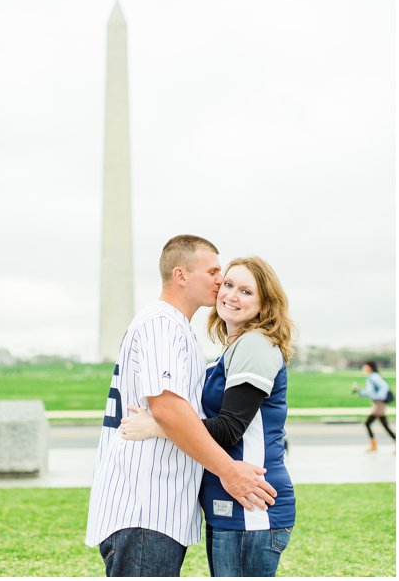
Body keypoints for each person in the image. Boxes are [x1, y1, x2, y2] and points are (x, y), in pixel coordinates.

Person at [85, 235, 277, 577]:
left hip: (155, 510)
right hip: (145, 507)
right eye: (214, 271)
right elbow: (170, 410)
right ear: (181, 276)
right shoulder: (162, 325)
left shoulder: (176, 328)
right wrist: (229, 471)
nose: (221, 281)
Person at [353, 360, 395, 452]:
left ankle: (374, 445)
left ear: (370, 367)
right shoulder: (371, 377)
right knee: (384, 425)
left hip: (379, 403)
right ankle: (376, 445)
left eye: (365, 366)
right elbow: (369, 392)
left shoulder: (373, 376)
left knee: (368, 423)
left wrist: (379, 397)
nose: (363, 368)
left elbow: (384, 387)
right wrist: (359, 391)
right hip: (378, 403)